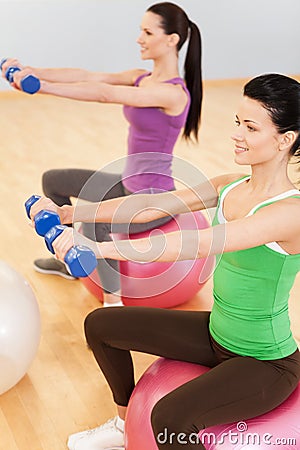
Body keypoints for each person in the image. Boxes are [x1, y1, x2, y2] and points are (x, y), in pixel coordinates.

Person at [28, 72, 300, 450]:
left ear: (285, 139)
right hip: (217, 333)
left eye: (251, 127)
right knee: (102, 325)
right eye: (238, 122)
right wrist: (71, 215)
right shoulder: (229, 185)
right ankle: (125, 428)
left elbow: (200, 243)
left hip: (264, 362)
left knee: (171, 417)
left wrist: (101, 249)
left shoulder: (290, 212)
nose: (237, 134)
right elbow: (149, 207)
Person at [2, 1, 203, 307]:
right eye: (140, 31)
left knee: (97, 223)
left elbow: (105, 94)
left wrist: (41, 88)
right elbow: (89, 76)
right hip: (126, 183)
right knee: (53, 181)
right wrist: (32, 71)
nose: (139, 38)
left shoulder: (173, 93)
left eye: (148, 32)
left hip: (153, 199)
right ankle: (68, 258)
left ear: (171, 40)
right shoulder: (141, 77)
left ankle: (113, 306)